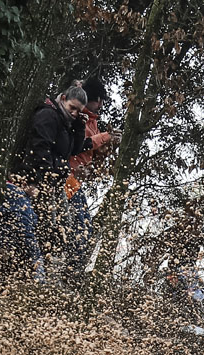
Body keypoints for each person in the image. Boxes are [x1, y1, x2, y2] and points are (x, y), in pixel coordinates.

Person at [17, 84, 101, 278]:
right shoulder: (48, 115)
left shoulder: (67, 123)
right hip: (39, 181)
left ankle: (50, 270)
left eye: (78, 111)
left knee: (65, 227)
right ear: (63, 98)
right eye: (72, 108)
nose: (74, 113)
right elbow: (40, 148)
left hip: (57, 184)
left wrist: (80, 126)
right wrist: (45, 178)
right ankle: (33, 272)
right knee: (47, 226)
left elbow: (73, 149)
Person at [66, 76, 120, 271]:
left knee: (84, 227)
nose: (101, 104)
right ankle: (70, 272)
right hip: (66, 175)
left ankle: (72, 270)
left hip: (76, 180)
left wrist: (109, 146)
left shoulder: (94, 121)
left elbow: (94, 155)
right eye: (100, 100)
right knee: (82, 227)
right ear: (95, 99)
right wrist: (105, 137)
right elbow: (79, 145)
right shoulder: (79, 116)